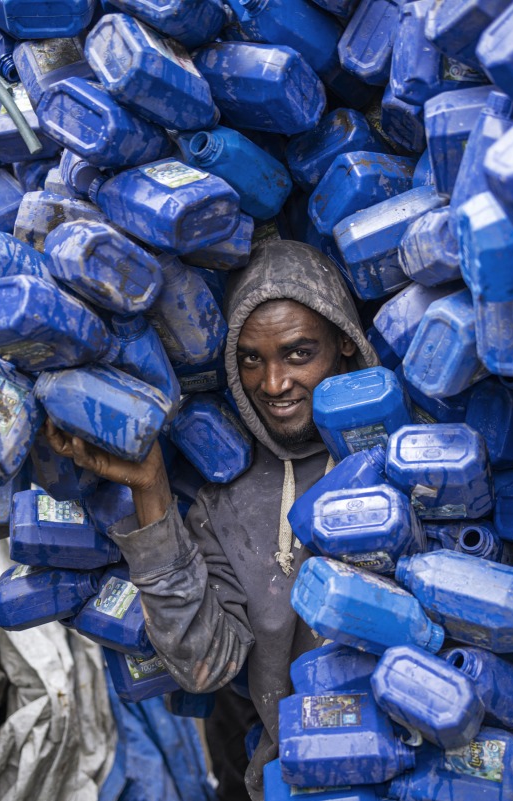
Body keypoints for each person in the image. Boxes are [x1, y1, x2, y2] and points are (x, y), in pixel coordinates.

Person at [47, 239, 381, 800]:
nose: (273, 384)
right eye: (251, 358)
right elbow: (207, 663)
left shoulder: (401, 455)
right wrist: (150, 487)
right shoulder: (223, 502)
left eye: (299, 353)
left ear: (345, 342)